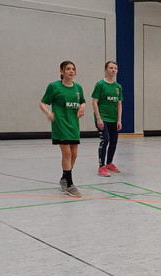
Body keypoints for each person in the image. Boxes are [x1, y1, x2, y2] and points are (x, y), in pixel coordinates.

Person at [39, 61, 87, 197]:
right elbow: (42, 103)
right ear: (61, 71)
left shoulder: (78, 88)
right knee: (67, 153)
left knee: (74, 154)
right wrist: (49, 113)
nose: (71, 71)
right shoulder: (54, 87)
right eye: (68, 69)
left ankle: (64, 178)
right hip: (60, 124)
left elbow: (83, 101)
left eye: (73, 69)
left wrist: (82, 107)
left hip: (74, 125)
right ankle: (69, 185)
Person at [92, 61, 123, 177]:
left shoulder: (118, 87)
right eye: (111, 68)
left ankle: (109, 163)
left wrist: (119, 120)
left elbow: (119, 104)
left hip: (113, 119)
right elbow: (94, 102)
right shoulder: (100, 84)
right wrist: (98, 118)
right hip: (102, 118)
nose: (113, 70)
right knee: (105, 140)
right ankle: (101, 166)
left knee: (114, 141)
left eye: (115, 68)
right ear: (106, 70)